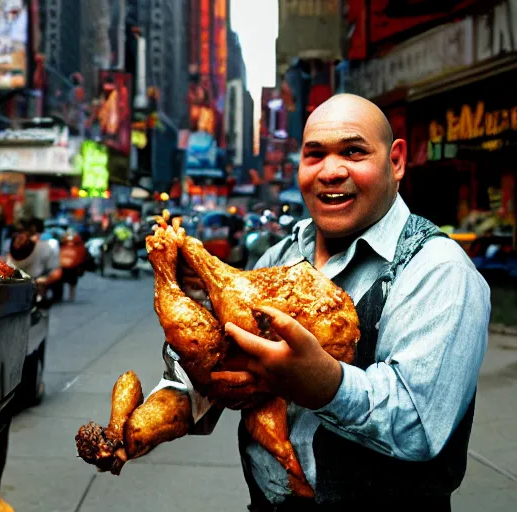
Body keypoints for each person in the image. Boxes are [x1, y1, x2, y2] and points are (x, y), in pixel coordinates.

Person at [162, 94, 490, 511]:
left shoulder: (439, 270)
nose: (331, 172)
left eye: (353, 152)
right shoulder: (279, 257)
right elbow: (222, 385)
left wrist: (326, 386)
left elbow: (419, 427)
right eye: (314, 155)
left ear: (396, 161)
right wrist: (189, 346)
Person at [6, 218, 62, 300]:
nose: (20, 239)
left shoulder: (45, 247)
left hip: (36, 288)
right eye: (18, 234)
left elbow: (57, 272)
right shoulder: (10, 247)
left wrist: (45, 280)